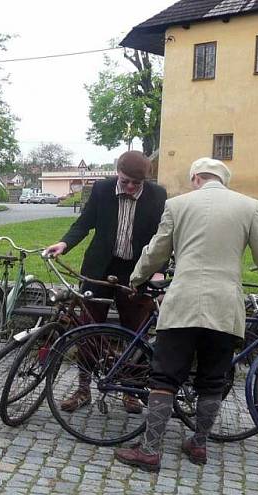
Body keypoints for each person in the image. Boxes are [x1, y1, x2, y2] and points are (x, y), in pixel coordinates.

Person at [115, 158, 258, 473]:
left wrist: (136, 277)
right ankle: (198, 443)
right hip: (224, 307)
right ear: (223, 180)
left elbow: (157, 250)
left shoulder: (178, 204)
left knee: (165, 378)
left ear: (195, 177)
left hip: (183, 302)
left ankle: (150, 450)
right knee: (212, 380)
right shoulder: (248, 206)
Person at [44, 150, 167, 412]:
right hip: (99, 269)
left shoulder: (158, 195)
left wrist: (158, 271)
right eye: (126, 181)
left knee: (135, 333)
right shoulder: (101, 189)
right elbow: (84, 223)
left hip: (137, 271)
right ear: (117, 173)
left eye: (137, 183)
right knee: (89, 328)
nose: (131, 187)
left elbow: (163, 238)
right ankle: (83, 389)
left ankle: (130, 390)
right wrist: (64, 244)